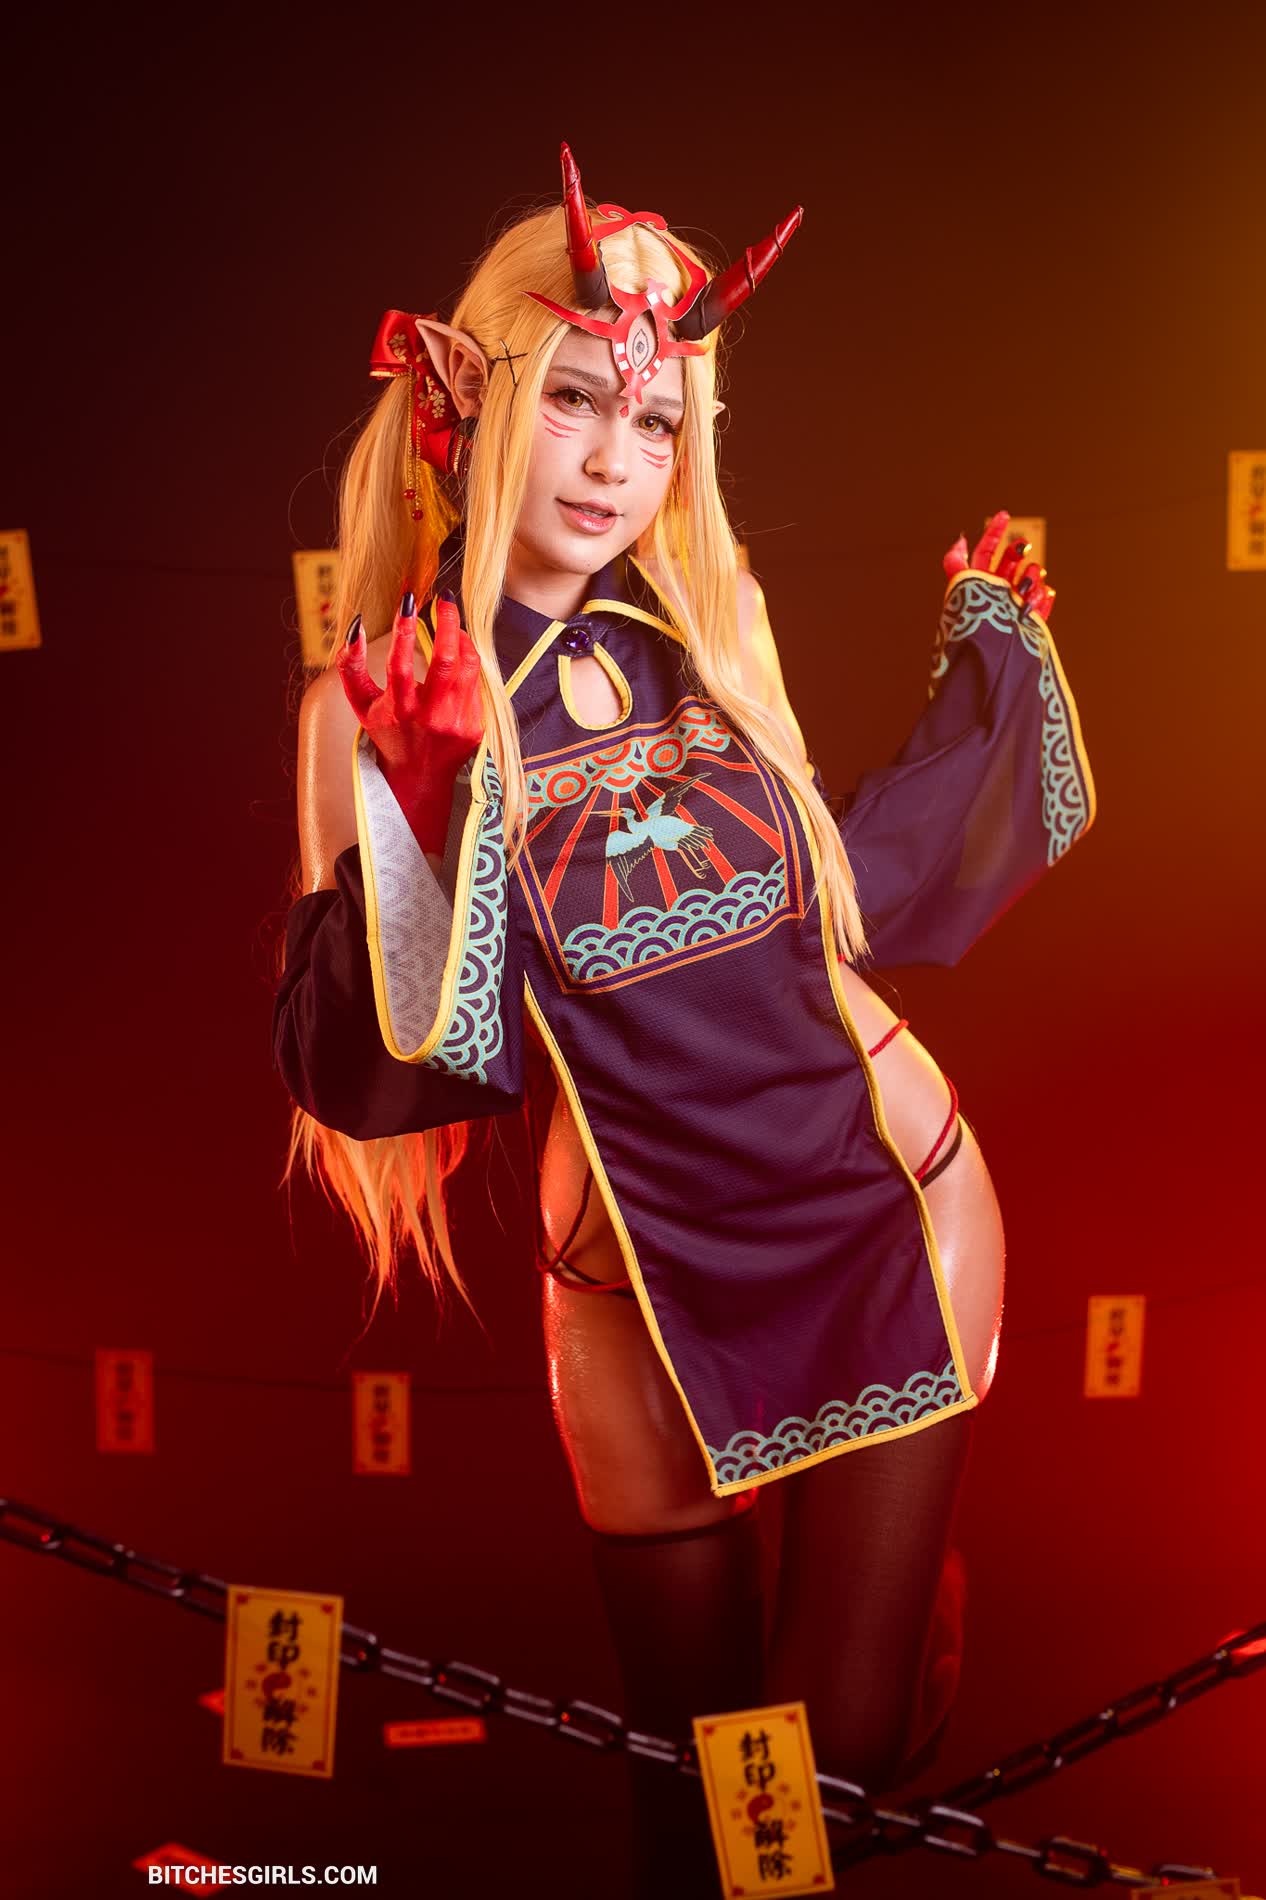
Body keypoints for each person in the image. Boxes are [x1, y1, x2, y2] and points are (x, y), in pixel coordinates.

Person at [272, 143, 1095, 1891]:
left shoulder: (715, 622)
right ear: (472, 402)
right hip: (631, 1283)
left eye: (654, 423)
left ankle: (892, 1641)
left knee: (819, 1780)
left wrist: (988, 683)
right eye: (575, 401)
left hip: (878, 1206)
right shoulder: (372, 700)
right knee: (691, 1800)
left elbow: (833, 902)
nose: (611, 461)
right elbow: (380, 1068)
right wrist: (418, 807)